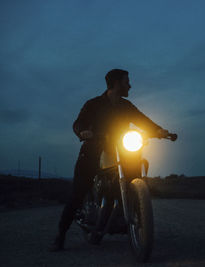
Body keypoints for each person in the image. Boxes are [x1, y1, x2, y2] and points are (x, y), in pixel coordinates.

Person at [50, 69, 172, 251]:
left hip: (121, 151)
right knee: (78, 192)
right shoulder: (94, 104)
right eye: (126, 82)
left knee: (136, 170)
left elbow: (142, 120)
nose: (129, 85)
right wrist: (82, 131)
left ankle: (132, 221)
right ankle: (60, 234)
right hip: (93, 152)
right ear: (115, 84)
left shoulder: (126, 106)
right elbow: (79, 122)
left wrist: (159, 131)